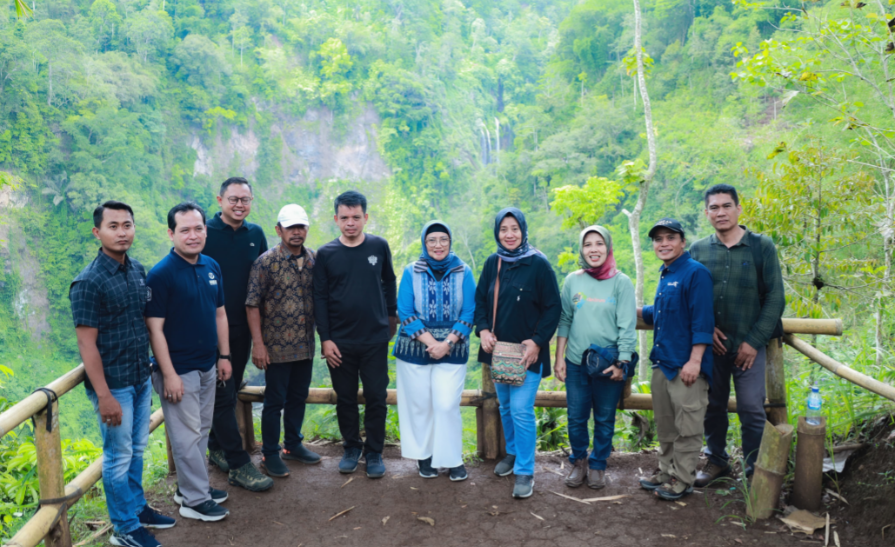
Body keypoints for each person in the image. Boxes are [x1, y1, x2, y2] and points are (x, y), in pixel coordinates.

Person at [70, 201, 172, 547]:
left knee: (138, 449)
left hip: (139, 376)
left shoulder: (136, 270)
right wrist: (103, 395)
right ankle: (125, 528)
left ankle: (137, 507)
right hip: (113, 385)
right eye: (113, 226)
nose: (122, 231)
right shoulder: (88, 282)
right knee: (117, 456)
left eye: (127, 225)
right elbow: (87, 345)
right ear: (97, 232)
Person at [690, 184, 785, 485]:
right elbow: (691, 298)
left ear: (739, 209)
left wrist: (754, 341)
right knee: (713, 406)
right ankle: (717, 462)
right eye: (714, 207)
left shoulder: (761, 246)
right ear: (706, 213)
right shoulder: (698, 250)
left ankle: (754, 470)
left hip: (749, 347)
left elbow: (775, 298)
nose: (721, 212)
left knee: (751, 408)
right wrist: (706, 330)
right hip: (712, 347)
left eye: (726, 206)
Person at [146, 202, 232, 522]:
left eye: (198, 229)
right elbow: (154, 328)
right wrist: (168, 374)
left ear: (205, 230)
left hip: (208, 363)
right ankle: (195, 501)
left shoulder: (211, 266)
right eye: (185, 230)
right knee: (185, 435)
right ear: (171, 233)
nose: (193, 235)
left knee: (201, 430)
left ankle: (190, 488)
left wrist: (223, 356)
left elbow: (219, 313)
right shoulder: (161, 274)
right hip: (178, 369)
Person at [474, 207, 561, 499]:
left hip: (527, 353)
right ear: (497, 232)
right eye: (503, 229)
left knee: (522, 410)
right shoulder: (492, 263)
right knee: (506, 406)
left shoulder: (538, 264)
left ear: (523, 230)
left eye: (514, 229)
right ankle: (512, 453)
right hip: (499, 351)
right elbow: (480, 301)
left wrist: (537, 342)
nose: (509, 235)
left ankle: (525, 471)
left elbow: (553, 308)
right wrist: (484, 330)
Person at [313, 191, 398, 479]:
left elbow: (389, 280)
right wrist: (325, 339)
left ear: (366, 217)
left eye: (356, 217)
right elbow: (320, 298)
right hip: (340, 342)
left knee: (376, 396)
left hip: (375, 338)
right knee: (345, 397)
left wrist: (391, 317)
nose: (351, 223)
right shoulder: (325, 254)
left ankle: (374, 452)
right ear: (336, 219)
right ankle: (351, 447)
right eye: (345, 218)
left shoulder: (379, 246)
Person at [202, 177, 273, 493]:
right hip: (210, 328)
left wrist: (263, 333)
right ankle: (238, 463)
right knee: (221, 391)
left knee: (228, 389)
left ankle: (217, 446)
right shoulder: (202, 232)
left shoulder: (255, 234)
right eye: (233, 199)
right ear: (220, 200)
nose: (239, 205)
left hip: (244, 328)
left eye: (245, 199)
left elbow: (264, 279)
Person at [554, 225, 636, 490]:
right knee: (576, 416)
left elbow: (627, 325)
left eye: (599, 243)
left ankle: (598, 464)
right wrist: (559, 358)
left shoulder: (621, 282)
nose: (593, 249)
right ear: (581, 249)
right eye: (588, 244)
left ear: (608, 247)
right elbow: (565, 320)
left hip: (607, 365)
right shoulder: (572, 281)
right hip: (576, 363)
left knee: (604, 417)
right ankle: (579, 462)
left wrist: (622, 363)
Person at [638, 218, 714, 501]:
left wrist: (695, 361)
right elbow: (662, 311)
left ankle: (683, 480)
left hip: (686, 366)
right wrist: (628, 310)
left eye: (670, 238)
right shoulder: (666, 273)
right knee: (667, 425)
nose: (664, 244)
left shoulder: (696, 273)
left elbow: (702, 319)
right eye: (658, 239)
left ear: (683, 241)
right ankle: (665, 472)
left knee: (688, 427)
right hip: (664, 363)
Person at [394, 221, 476, 482]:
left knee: (445, 404)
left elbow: (469, 312)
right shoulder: (411, 271)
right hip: (414, 350)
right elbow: (405, 312)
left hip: (453, 349)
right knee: (419, 405)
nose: (438, 245)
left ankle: (452, 459)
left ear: (450, 242)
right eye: (432, 240)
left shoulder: (464, 271)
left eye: (443, 239)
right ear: (424, 243)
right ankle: (425, 455)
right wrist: (432, 343)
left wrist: (447, 344)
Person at [246, 204, 321, 478]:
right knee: (274, 401)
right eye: (291, 227)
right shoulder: (266, 262)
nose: (296, 232)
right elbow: (252, 304)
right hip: (275, 347)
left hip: (305, 344)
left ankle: (292, 445)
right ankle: (269, 453)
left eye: (301, 226)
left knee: (298, 397)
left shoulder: (314, 259)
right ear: (279, 230)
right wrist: (259, 344)